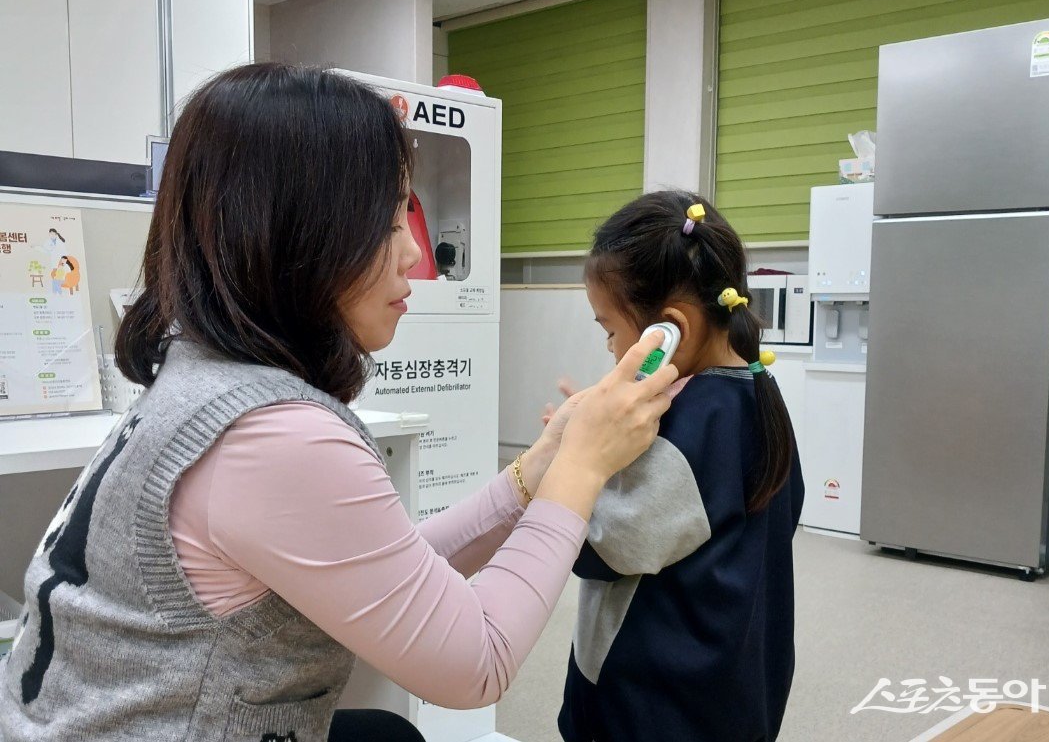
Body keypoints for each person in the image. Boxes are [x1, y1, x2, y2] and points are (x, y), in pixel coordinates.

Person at [0, 64, 678, 742]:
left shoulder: (202, 376)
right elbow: (478, 660)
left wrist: (535, 470)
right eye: (387, 222)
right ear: (295, 233)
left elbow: (390, 566)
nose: (414, 253)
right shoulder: (275, 438)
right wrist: (581, 470)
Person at [558, 191, 805, 742]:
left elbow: (602, 547)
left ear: (671, 329)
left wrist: (571, 468)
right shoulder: (760, 392)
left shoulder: (689, 427)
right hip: (735, 682)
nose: (609, 347)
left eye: (610, 330)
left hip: (654, 701)